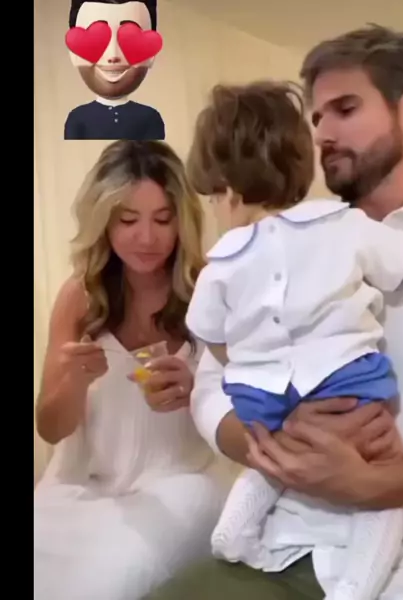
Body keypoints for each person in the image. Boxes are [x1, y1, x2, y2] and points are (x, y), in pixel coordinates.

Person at [146, 24, 403, 600]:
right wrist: (274, 439)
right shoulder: (269, 244)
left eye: (345, 109)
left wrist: (372, 483)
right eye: (315, 117)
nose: (323, 132)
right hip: (280, 541)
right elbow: (212, 383)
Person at [34, 140, 235, 600]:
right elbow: (49, 427)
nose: (147, 238)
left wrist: (199, 392)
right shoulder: (80, 297)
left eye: (163, 220)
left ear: (182, 220)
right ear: (104, 220)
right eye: (128, 220)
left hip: (182, 484)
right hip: (81, 487)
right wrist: (73, 382)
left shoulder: (208, 288)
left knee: (103, 584)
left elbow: (251, 409)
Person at [65, 1, 165, 140]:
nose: (113, 55)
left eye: (130, 39)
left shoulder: (150, 117)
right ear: (74, 55)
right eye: (97, 40)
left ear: (151, 56)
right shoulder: (77, 118)